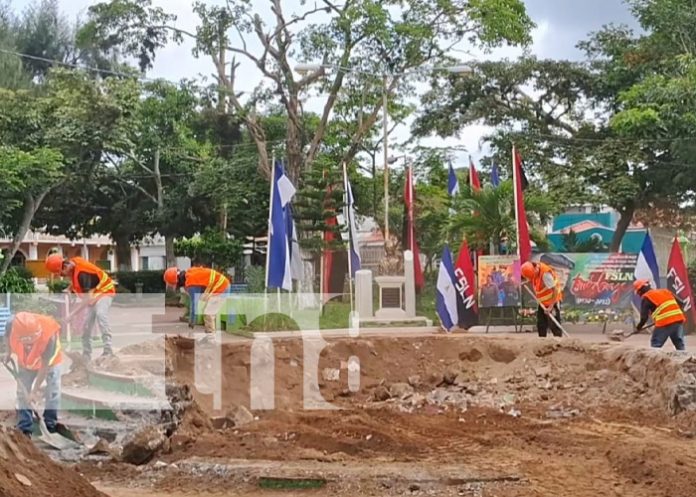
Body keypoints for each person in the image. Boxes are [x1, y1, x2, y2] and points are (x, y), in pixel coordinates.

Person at [45, 254, 115, 360]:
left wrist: (71, 315)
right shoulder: (73, 263)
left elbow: (86, 299)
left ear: (65, 267)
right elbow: (75, 279)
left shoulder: (83, 274)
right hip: (94, 296)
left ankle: (108, 350)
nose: (63, 276)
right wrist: (69, 289)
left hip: (105, 291)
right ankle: (86, 355)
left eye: (61, 274)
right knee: (86, 325)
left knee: (101, 315)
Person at [3, 312, 62, 437]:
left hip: (50, 362)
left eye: (34, 336)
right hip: (26, 362)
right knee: (22, 393)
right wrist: (8, 352)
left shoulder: (48, 336)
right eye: (28, 338)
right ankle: (25, 428)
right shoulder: (11, 324)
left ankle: (50, 425)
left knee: (52, 392)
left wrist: (34, 392)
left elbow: (44, 366)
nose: (32, 340)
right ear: (21, 337)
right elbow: (7, 336)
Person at [163, 266, 230, 337]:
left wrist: (192, 321)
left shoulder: (191, 284)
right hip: (222, 285)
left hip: (222, 288)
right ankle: (209, 335)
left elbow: (194, 303)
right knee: (207, 311)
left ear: (177, 281)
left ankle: (211, 339)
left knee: (208, 313)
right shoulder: (189, 274)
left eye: (174, 284)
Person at [633, 279, 686, 351]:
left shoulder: (647, 297)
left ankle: (654, 361)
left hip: (664, 323)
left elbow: (644, 318)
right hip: (678, 320)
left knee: (656, 344)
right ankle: (684, 360)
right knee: (679, 344)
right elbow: (681, 303)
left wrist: (638, 328)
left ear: (640, 291)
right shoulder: (665, 291)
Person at [521, 261, 563, 338]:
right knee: (541, 324)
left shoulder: (545, 275)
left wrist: (550, 307)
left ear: (535, 269)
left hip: (553, 301)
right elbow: (532, 279)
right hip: (543, 303)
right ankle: (542, 343)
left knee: (554, 324)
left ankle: (558, 343)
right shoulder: (534, 271)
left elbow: (555, 290)